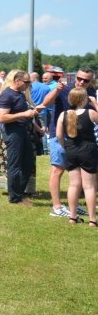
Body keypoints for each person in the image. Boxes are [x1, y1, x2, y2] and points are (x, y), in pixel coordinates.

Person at [39, 67, 96, 218]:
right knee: (57, 170)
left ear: (91, 81)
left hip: (80, 139)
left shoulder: (90, 92)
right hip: (60, 135)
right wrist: (57, 91)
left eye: (85, 80)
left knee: (76, 174)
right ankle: (57, 207)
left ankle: (73, 207)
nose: (81, 82)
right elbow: (45, 103)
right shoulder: (64, 88)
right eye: (79, 78)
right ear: (74, 77)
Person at [56, 87, 98, 226]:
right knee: (89, 187)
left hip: (71, 149)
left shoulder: (64, 114)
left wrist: (65, 146)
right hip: (88, 149)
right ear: (84, 99)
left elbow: (58, 135)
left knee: (73, 185)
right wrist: (96, 104)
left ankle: (73, 217)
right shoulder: (91, 113)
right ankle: (92, 219)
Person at [0, 70, 37, 206]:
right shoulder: (7, 95)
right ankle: (14, 197)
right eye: (27, 82)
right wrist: (23, 114)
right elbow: (2, 117)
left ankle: (19, 193)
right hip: (13, 132)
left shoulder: (19, 94)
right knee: (15, 165)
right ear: (17, 81)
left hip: (22, 131)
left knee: (28, 163)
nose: (28, 84)